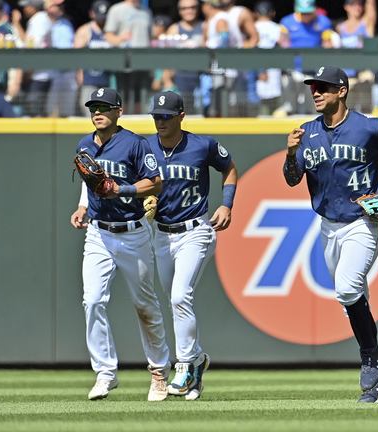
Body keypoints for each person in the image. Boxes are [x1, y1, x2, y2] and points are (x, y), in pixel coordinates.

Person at [283, 65, 378, 403]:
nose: (316, 92)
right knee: (353, 300)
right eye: (313, 87)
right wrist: (291, 152)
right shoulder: (307, 131)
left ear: (342, 91)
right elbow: (292, 178)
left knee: (347, 287)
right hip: (328, 226)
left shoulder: (369, 127)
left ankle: (370, 359)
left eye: (323, 86)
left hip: (363, 220)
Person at [70, 87, 171, 402]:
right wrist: (83, 207)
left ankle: (158, 374)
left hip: (133, 233)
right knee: (92, 301)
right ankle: (105, 373)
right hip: (98, 233)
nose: (97, 111)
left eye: (104, 106)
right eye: (93, 107)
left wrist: (121, 190)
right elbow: (92, 183)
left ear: (118, 111)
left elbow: (155, 182)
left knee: (145, 305)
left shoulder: (135, 143)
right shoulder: (85, 143)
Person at [145, 91, 238, 400]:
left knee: (180, 296)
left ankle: (184, 365)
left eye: (166, 116)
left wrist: (226, 205)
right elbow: (137, 183)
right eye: (156, 116)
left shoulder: (202, 144)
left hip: (195, 230)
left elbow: (229, 168)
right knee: (175, 302)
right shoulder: (145, 147)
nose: (160, 121)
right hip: (161, 233)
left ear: (180, 116)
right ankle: (198, 361)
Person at [273, 0, 333, 116]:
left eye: (308, 12)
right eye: (303, 13)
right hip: (293, 69)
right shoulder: (287, 22)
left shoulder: (323, 21)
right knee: (289, 107)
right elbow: (283, 43)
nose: (306, 15)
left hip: (314, 70)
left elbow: (327, 44)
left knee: (313, 109)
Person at [104, 0, 154, 113]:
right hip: (124, 62)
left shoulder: (147, 11)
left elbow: (152, 37)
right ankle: (124, 123)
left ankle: (140, 125)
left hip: (144, 63)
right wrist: (120, 38)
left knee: (141, 97)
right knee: (124, 97)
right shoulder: (116, 9)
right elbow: (108, 36)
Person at [13, 0, 52, 117]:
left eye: (26, 6)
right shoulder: (40, 19)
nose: (24, 9)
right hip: (39, 73)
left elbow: (34, 48)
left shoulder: (39, 20)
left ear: (33, 7)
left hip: (40, 74)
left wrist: (28, 71)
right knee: (33, 110)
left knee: (36, 112)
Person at [75, 0, 114, 117]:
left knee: (108, 113)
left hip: (109, 79)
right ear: (91, 13)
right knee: (90, 112)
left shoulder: (112, 32)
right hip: (90, 78)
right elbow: (75, 56)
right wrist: (79, 73)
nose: (102, 20)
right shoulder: (85, 31)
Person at [165, 0, 204, 114]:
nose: (189, 11)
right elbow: (167, 57)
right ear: (179, 11)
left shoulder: (205, 26)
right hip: (180, 77)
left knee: (201, 112)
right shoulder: (174, 29)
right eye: (185, 8)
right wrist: (167, 79)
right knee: (181, 110)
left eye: (192, 7)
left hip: (201, 76)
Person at [252, 1, 286, 116]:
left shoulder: (252, 26)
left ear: (256, 14)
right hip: (272, 67)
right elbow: (284, 44)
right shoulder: (277, 28)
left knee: (258, 101)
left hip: (254, 66)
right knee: (271, 102)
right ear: (272, 13)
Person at [44, 0, 77, 117]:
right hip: (50, 71)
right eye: (57, 6)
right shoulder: (41, 22)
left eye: (61, 5)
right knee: (50, 110)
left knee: (68, 111)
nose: (61, 7)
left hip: (68, 71)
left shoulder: (66, 23)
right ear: (48, 8)